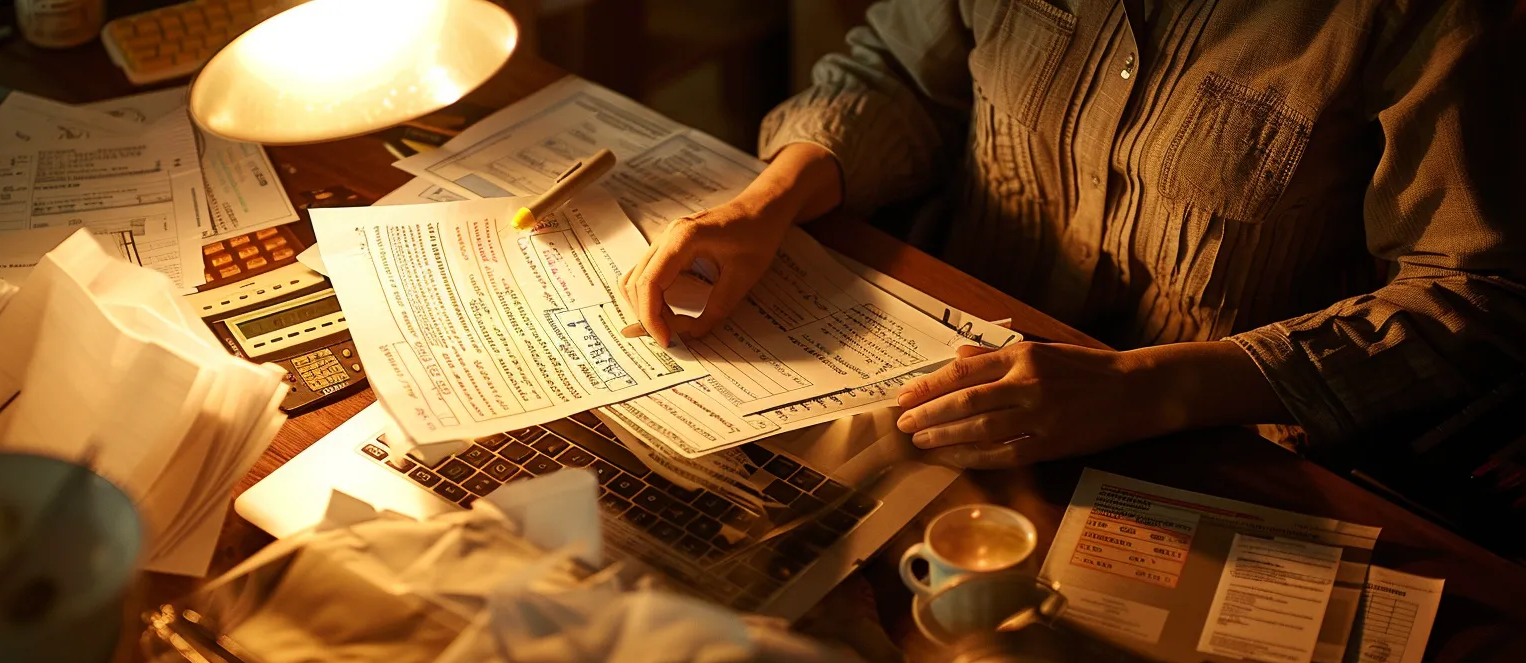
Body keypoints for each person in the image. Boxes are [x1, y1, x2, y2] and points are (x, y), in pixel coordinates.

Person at [619, 0, 1524, 469]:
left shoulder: (1427, 17)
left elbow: (1477, 293)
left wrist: (1144, 391)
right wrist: (769, 199)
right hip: (930, 363)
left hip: (1216, 438)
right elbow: (897, 67)